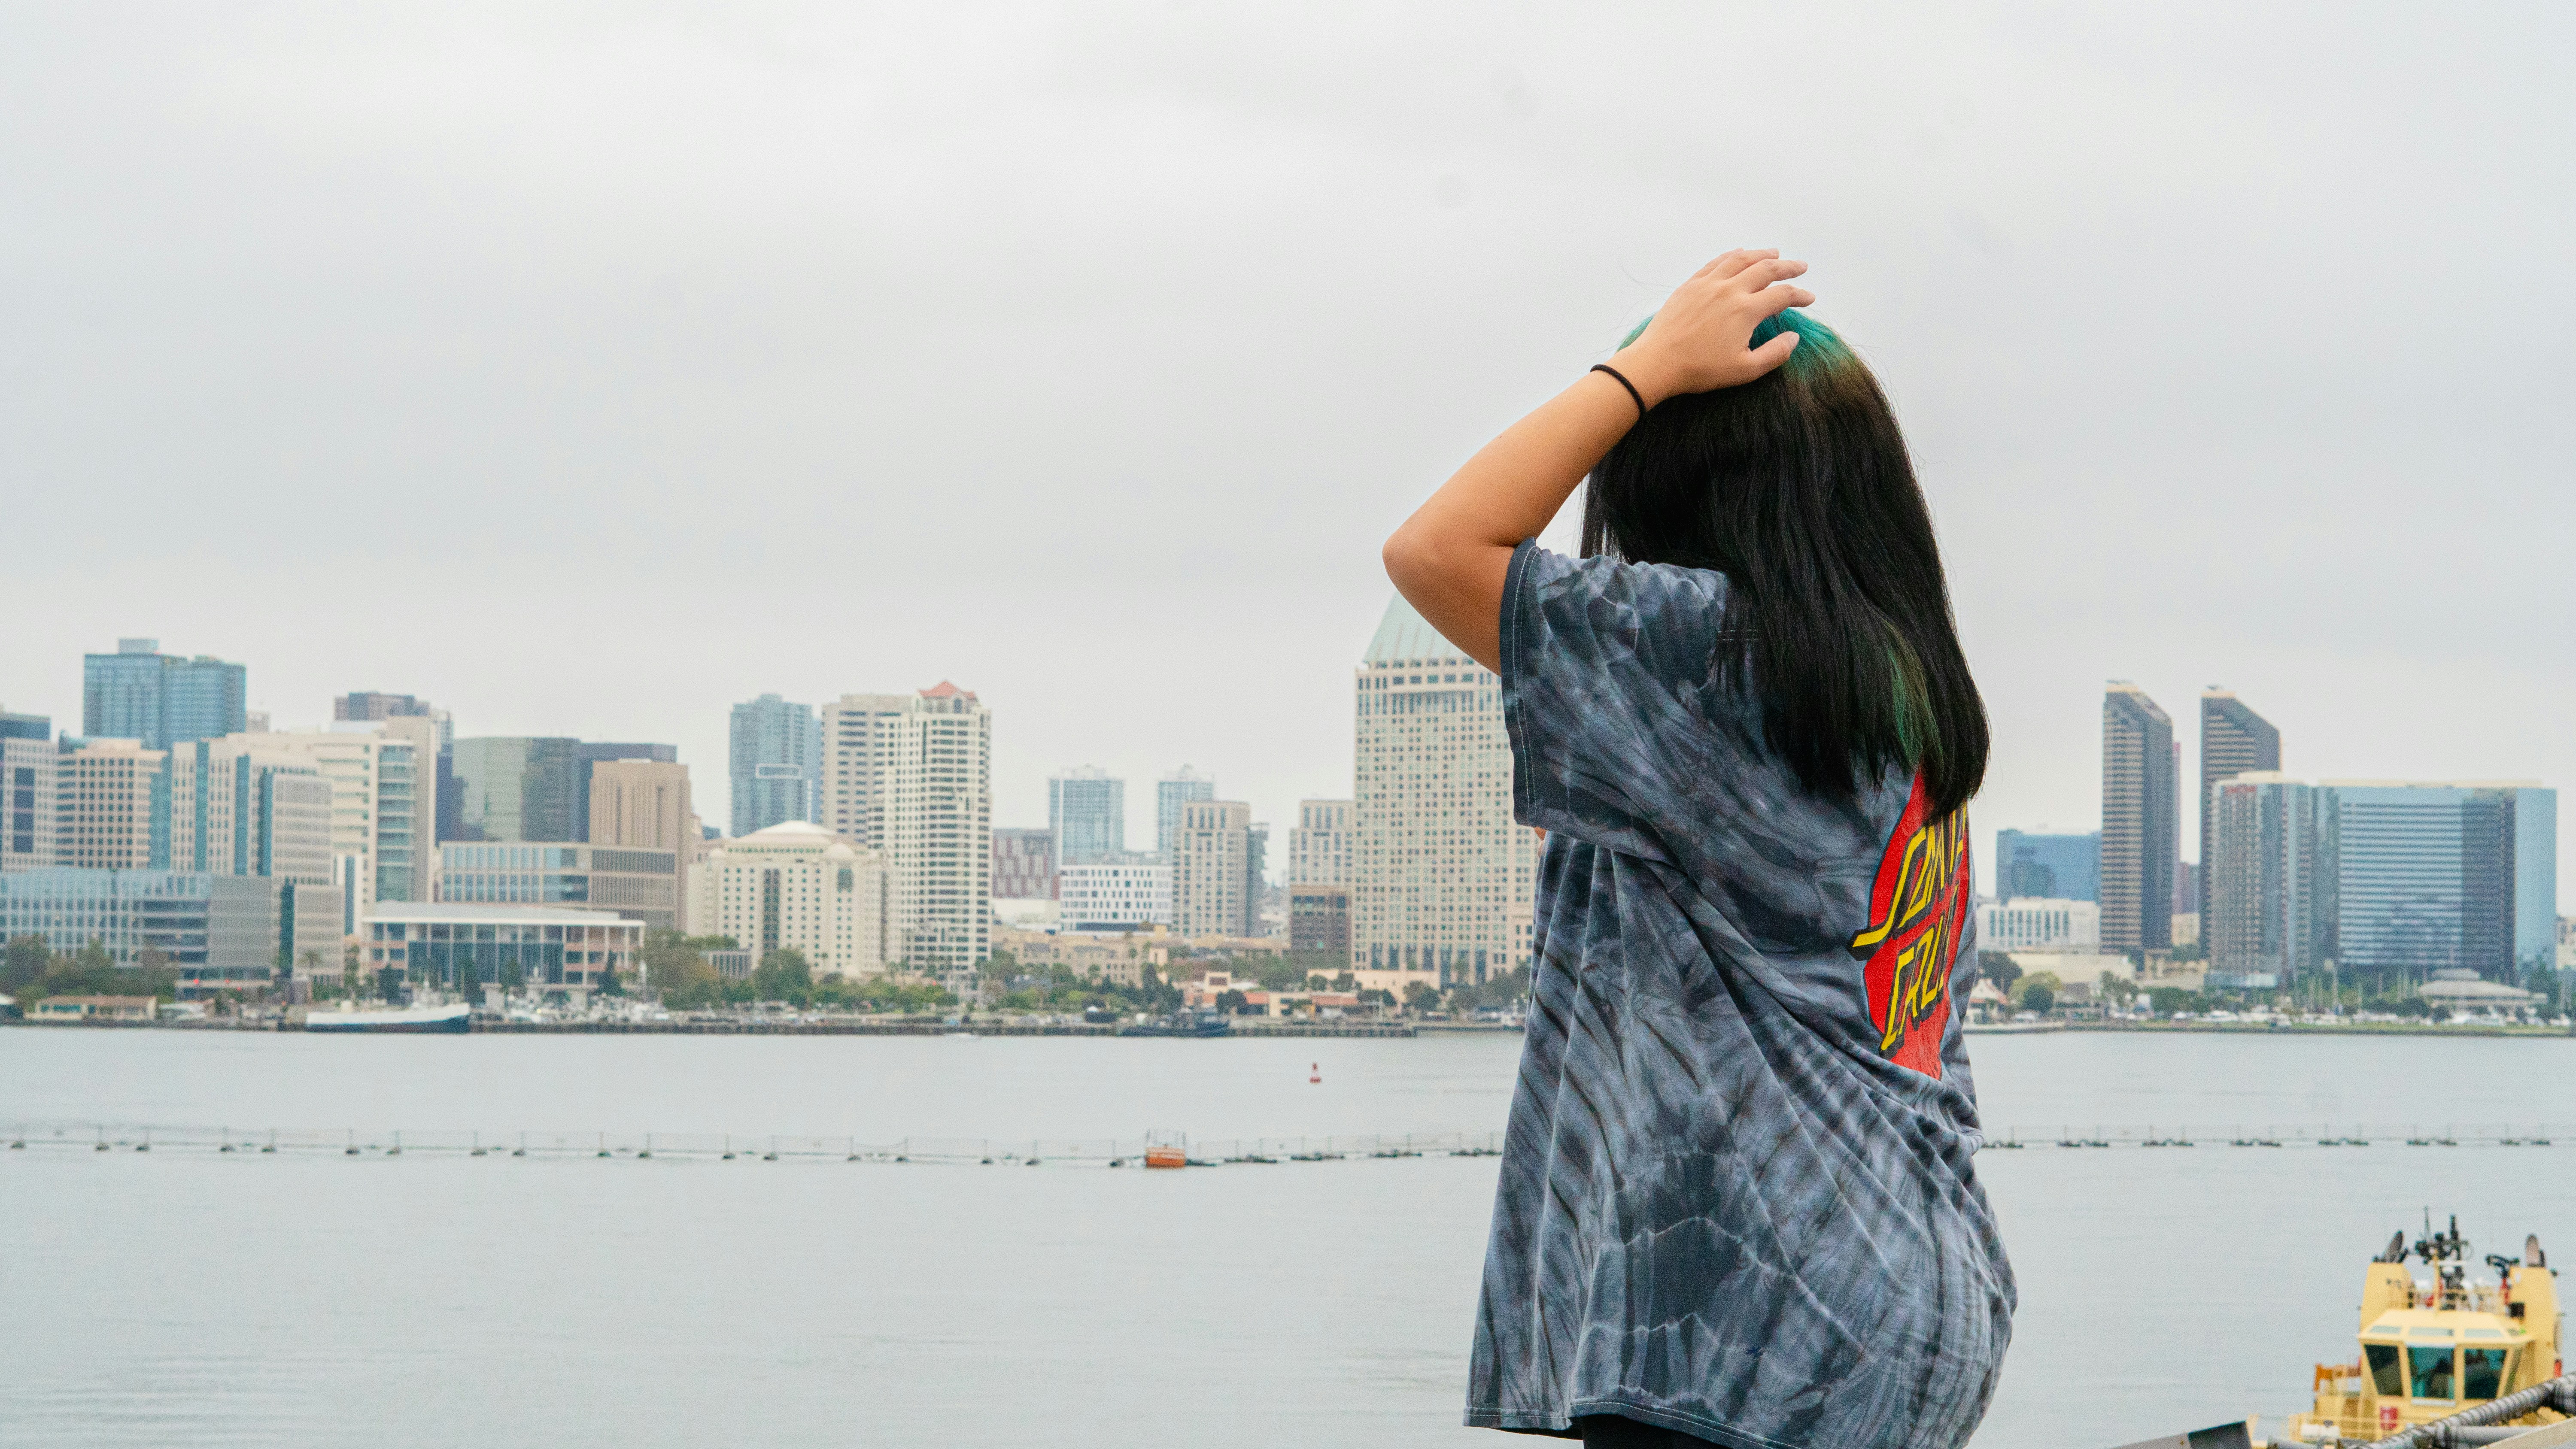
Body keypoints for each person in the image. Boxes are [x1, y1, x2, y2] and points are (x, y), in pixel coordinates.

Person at [1382, 250, 2013, 1448]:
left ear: (1679, 488)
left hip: (1745, 1322)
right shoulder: (1903, 693)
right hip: (1918, 1282)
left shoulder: (1714, 659)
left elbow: (1438, 551)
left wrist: (1642, 371)